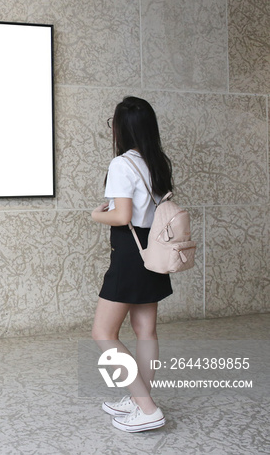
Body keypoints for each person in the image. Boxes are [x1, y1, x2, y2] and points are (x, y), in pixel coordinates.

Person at [90, 96, 174, 433]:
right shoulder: (157, 162)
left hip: (129, 253)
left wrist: (97, 213)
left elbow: (122, 216)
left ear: (121, 129)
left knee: (102, 332)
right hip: (152, 250)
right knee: (145, 331)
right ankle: (139, 399)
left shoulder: (122, 164)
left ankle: (147, 407)